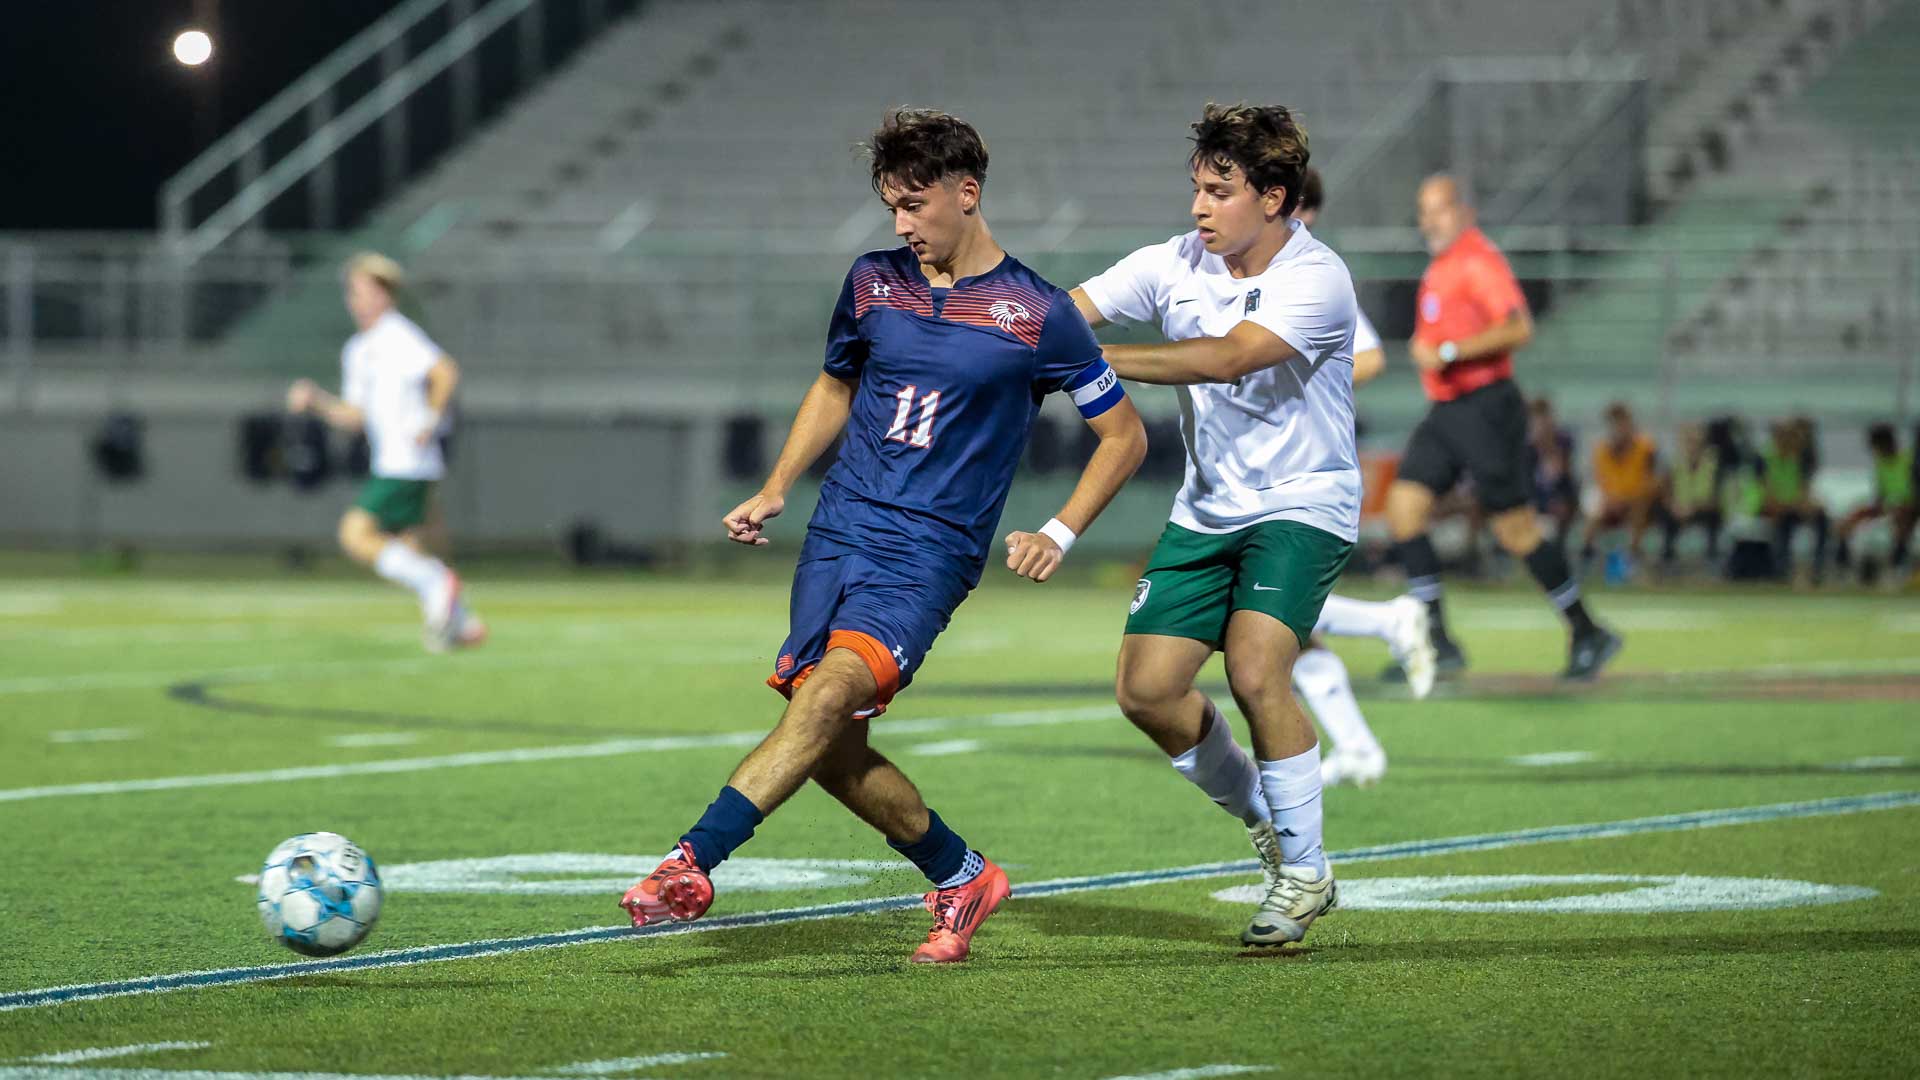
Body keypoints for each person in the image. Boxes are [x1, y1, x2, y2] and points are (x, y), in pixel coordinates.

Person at [619, 109, 1147, 965]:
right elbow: (836, 384)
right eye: (891, 207)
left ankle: (692, 861)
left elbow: (1124, 436)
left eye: (914, 204)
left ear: (966, 193)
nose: (901, 224)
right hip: (838, 531)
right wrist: (777, 485)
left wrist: (1060, 529)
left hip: (928, 553)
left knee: (827, 698)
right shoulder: (871, 282)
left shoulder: (1039, 313)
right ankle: (961, 874)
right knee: (827, 743)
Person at [1072, 103, 1357, 946]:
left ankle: (1305, 872)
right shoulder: (1173, 262)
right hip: (1207, 508)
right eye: (1197, 187)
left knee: (1257, 667)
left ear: (1274, 198)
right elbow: (1061, 312)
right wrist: (981, 321)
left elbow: (1226, 357)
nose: (1199, 207)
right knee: (1146, 691)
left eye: (1219, 191)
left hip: (1303, 502)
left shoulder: (1318, 277)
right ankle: (1270, 821)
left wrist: (1084, 360)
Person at [1383, 175, 1620, 680]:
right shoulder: (1443, 265)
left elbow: (1518, 327)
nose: (1428, 221)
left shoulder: (1477, 261)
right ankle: (1435, 642)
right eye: (1423, 211)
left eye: (1438, 210)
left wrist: (1449, 351)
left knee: (1515, 531)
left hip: (1487, 407)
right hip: (1448, 409)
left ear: (1464, 212)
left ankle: (1587, 631)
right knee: (1404, 509)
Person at [286, 252, 483, 652]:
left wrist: (429, 420)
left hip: (407, 461)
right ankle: (461, 623)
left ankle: (437, 586)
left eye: (365, 291)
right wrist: (317, 401)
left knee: (355, 534)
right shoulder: (359, 349)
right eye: (353, 292)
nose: (357, 300)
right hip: (393, 462)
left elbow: (444, 372)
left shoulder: (398, 335)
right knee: (412, 548)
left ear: (385, 295)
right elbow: (354, 417)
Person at [1583, 402, 1664, 569]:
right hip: (1611, 502)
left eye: (1622, 423)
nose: (1619, 429)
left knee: (1640, 505)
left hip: (1639, 502)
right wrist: (1611, 499)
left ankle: (1631, 557)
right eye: (1615, 424)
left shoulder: (1646, 447)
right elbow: (1600, 482)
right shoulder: (1601, 451)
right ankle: (1587, 555)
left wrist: (1627, 498)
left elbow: (1654, 480)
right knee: (1593, 506)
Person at [1835, 423, 1914, 577]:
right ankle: (1842, 564)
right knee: (1847, 520)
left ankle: (1898, 564)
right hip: (1886, 506)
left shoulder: (1908, 460)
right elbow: (1880, 494)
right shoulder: (1880, 464)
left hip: (1908, 507)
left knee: (1901, 518)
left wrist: (1899, 504)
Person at [1758, 417, 1829, 581]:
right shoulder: (1764, 458)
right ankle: (1781, 570)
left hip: (1791, 507)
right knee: (1784, 523)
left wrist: (1808, 505)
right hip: (1770, 507)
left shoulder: (1799, 459)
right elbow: (1767, 494)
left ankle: (1818, 568)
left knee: (1821, 518)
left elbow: (1804, 490)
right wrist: (1794, 505)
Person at [1662, 422, 1725, 569]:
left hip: (1705, 509)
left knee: (1714, 516)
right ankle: (1668, 559)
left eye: (1695, 441)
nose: (1691, 446)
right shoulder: (1676, 463)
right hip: (1680, 509)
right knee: (1665, 515)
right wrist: (1673, 506)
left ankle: (1712, 557)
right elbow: (1667, 492)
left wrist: (1693, 507)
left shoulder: (1714, 463)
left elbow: (1717, 498)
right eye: (1687, 441)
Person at [1528, 397, 1580, 543]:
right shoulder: (1528, 448)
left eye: (1545, 417)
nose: (1542, 424)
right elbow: (1527, 483)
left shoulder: (1563, 441)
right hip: (1536, 499)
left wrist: (1549, 444)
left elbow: (1562, 472)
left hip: (1562, 497)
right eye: (1537, 419)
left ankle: (1559, 545)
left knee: (1560, 508)